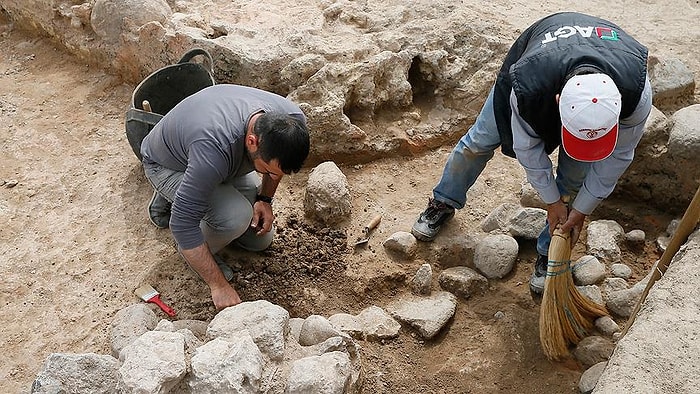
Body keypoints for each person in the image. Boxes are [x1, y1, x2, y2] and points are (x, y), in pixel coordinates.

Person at [411, 12, 652, 295]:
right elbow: (529, 151)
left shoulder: (635, 94)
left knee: (574, 178)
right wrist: (552, 202)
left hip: (593, 59)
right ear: (559, 102)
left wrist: (581, 210)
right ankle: (443, 201)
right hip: (541, 58)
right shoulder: (528, 85)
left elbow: (618, 158)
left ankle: (551, 251)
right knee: (479, 141)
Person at [140, 84, 310, 309]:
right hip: (168, 165)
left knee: (259, 239)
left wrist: (265, 200)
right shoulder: (213, 148)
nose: (271, 176)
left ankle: (193, 193)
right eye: (268, 171)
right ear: (252, 142)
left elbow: (277, 168)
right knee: (237, 217)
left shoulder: (293, 121)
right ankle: (176, 197)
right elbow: (182, 225)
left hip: (218, 162)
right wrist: (218, 285)